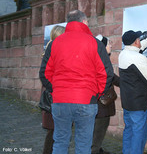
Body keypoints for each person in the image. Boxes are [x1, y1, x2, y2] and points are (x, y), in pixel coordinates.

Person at [39, 10, 114, 154]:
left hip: (60, 100)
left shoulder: (55, 43)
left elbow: (45, 73)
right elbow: (106, 74)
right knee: (84, 144)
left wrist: (56, 90)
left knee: (60, 141)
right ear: (84, 22)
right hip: (86, 100)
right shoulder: (95, 43)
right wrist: (96, 94)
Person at [118, 30, 147, 154]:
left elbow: (136, 49)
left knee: (129, 130)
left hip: (128, 102)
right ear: (136, 41)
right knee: (139, 134)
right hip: (138, 103)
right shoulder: (139, 58)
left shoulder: (123, 54)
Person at [91, 35, 120, 154]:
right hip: (101, 103)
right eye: (109, 43)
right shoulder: (101, 60)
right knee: (99, 129)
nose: (111, 45)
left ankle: (97, 148)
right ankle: (94, 150)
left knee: (98, 129)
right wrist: (126, 83)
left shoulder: (99, 58)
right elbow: (110, 76)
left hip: (100, 103)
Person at [41, 25, 65, 154]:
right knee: (54, 131)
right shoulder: (53, 51)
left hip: (54, 97)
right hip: (53, 98)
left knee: (56, 131)